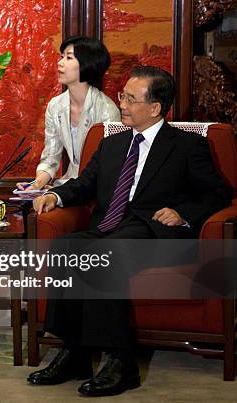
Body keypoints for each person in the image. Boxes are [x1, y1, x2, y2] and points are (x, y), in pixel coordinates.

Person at [27, 66, 231, 396]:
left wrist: (183, 213)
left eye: (130, 99)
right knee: (66, 246)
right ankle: (74, 351)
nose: (121, 103)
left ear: (154, 108)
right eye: (122, 95)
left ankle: (121, 363)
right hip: (111, 226)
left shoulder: (186, 145)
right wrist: (56, 194)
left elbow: (217, 193)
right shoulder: (112, 144)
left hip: (154, 232)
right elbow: (85, 183)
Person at [18, 36, 120, 191]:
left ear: (87, 64)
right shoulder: (55, 106)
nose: (60, 63)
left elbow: (110, 165)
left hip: (97, 190)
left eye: (69, 58)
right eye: (62, 56)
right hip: (67, 186)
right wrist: (37, 185)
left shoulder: (107, 110)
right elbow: (51, 158)